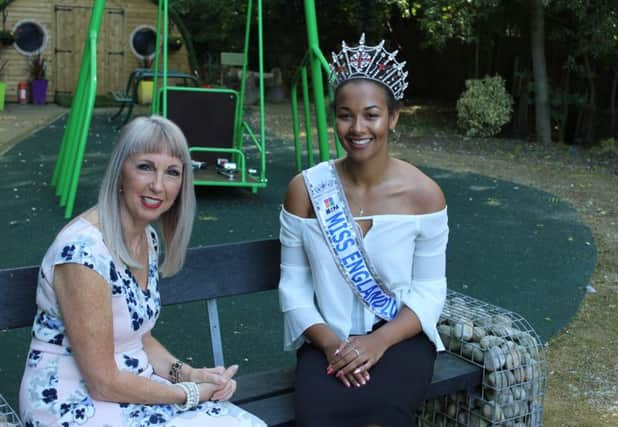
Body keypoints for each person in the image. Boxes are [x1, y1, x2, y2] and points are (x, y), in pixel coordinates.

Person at [19, 116, 266, 427]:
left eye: (172, 172)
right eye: (145, 167)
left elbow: (140, 339)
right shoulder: (83, 252)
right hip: (72, 402)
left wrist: (192, 374)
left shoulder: (146, 238)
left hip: (131, 388)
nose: (158, 185)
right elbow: (103, 382)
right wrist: (189, 392)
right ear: (120, 171)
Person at [278, 34, 448, 427]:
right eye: (344, 114)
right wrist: (335, 346)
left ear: (393, 117)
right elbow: (293, 287)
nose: (357, 128)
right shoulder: (306, 190)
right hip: (326, 341)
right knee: (317, 417)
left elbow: (429, 290)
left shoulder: (425, 196)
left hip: (400, 340)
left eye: (371, 115)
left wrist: (377, 342)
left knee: (384, 416)